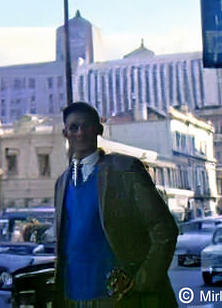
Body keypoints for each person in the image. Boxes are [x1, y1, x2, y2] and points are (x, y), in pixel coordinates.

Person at [52, 102, 178, 307]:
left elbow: (164, 229)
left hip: (120, 297)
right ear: (65, 133)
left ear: (99, 130)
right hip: (72, 296)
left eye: (87, 126)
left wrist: (143, 281)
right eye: (74, 127)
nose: (80, 132)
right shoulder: (62, 183)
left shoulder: (125, 170)